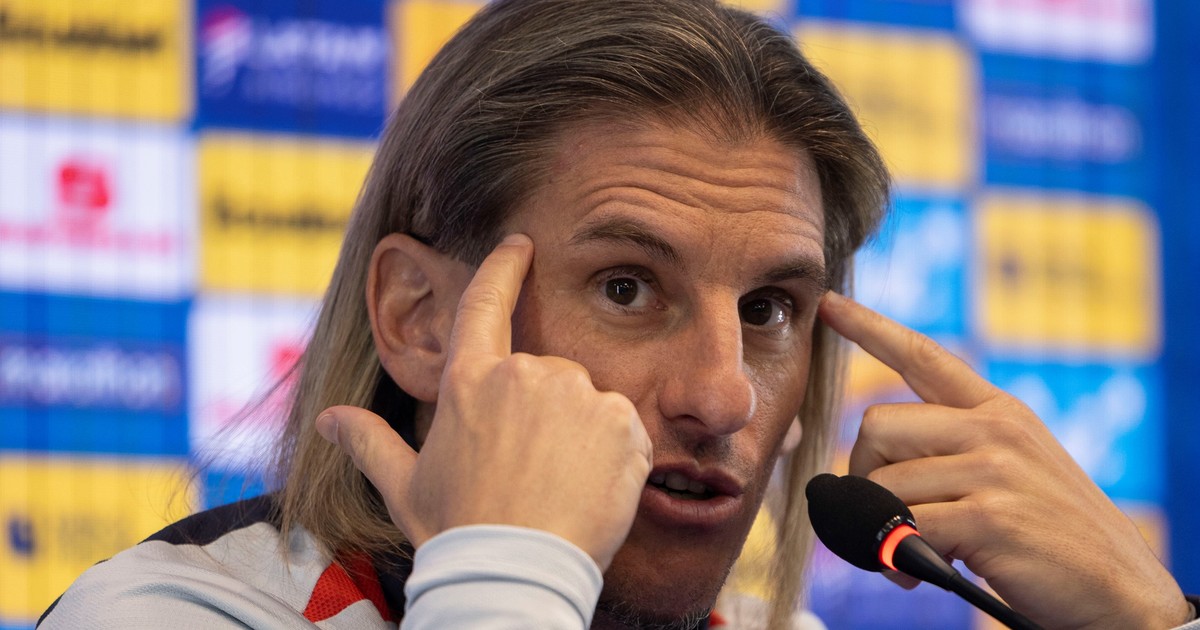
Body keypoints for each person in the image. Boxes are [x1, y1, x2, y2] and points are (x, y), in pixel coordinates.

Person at [40, 0, 1198, 628]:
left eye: (769, 307)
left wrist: (1147, 629)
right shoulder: (161, 615)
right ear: (422, 319)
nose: (723, 395)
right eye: (628, 287)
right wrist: (507, 569)